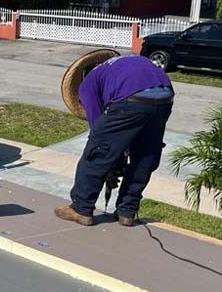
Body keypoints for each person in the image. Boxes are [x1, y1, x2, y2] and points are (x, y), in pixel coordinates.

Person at [55, 54, 174, 227]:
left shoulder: (87, 85)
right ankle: (127, 211)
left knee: (95, 153)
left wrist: (111, 163)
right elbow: (124, 136)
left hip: (132, 99)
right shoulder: (118, 66)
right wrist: (117, 159)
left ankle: (81, 208)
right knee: (145, 154)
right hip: (165, 96)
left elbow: (99, 135)